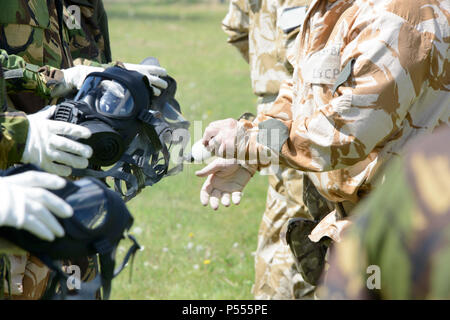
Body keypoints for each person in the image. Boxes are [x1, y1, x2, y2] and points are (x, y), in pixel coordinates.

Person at [196, 0, 449, 285]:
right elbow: (300, 94)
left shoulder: (399, 13)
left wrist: (250, 142)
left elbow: (344, 133)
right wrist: (250, 152)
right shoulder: (330, 8)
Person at [0, 0, 167, 299]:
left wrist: (114, 80)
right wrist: (51, 81)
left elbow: (86, 64)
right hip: (16, 192)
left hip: (80, 191)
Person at [221, 0, 317, 299]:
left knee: (281, 221)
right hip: (301, 107)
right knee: (303, 225)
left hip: (279, 104)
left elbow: (235, 29)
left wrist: (266, 70)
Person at [318, 127, 450, 299]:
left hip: (365, 210)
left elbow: (346, 136)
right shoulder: (428, 159)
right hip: (346, 213)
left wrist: (281, 141)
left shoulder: (428, 160)